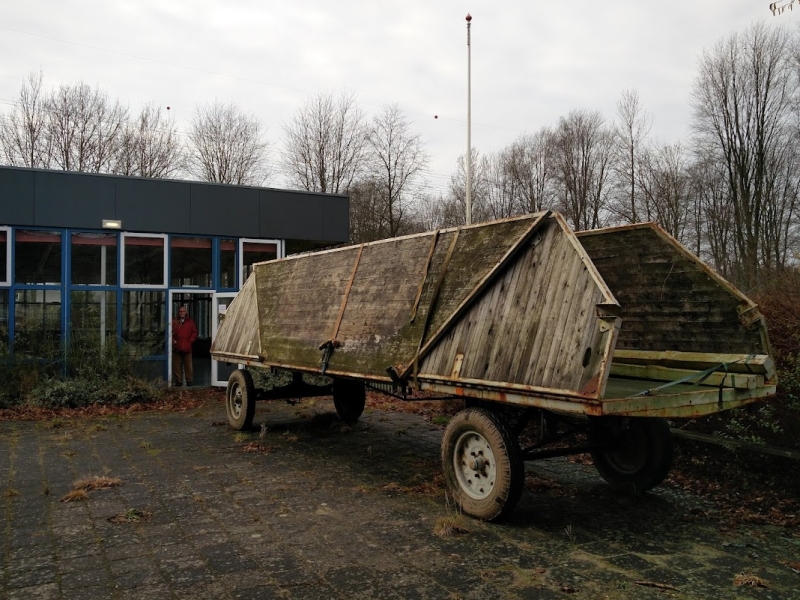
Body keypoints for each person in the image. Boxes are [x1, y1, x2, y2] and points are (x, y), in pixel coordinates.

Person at [172, 305, 198, 386]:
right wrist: (173, 341)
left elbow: (195, 333)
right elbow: (170, 333)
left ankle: (189, 380)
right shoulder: (174, 322)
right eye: (180, 311)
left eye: (183, 311)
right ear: (178, 312)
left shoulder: (190, 322)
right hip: (177, 347)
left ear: (186, 312)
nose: (182, 313)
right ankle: (178, 380)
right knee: (176, 365)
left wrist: (190, 341)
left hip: (187, 347)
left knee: (188, 365)